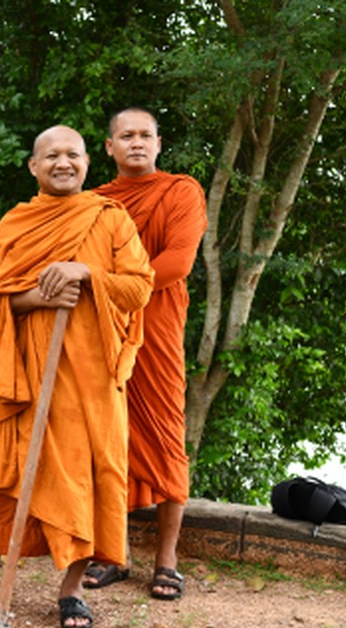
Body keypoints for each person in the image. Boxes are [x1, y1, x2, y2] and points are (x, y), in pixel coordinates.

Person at [0, 125, 153, 628]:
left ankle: (72, 591)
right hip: (20, 378)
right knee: (5, 476)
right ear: (33, 167)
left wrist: (85, 274)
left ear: (87, 163)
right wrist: (37, 298)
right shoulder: (17, 222)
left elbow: (139, 289)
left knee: (84, 476)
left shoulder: (109, 220)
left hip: (87, 379)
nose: (63, 162)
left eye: (72, 155)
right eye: (51, 155)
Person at [82, 106, 207, 600]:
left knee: (164, 435)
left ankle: (167, 560)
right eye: (126, 136)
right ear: (109, 148)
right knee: (105, 440)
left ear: (159, 144)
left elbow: (177, 261)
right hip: (100, 332)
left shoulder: (180, 191)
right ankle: (111, 554)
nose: (137, 143)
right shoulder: (92, 203)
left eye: (145, 135)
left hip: (154, 328)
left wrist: (113, 287)